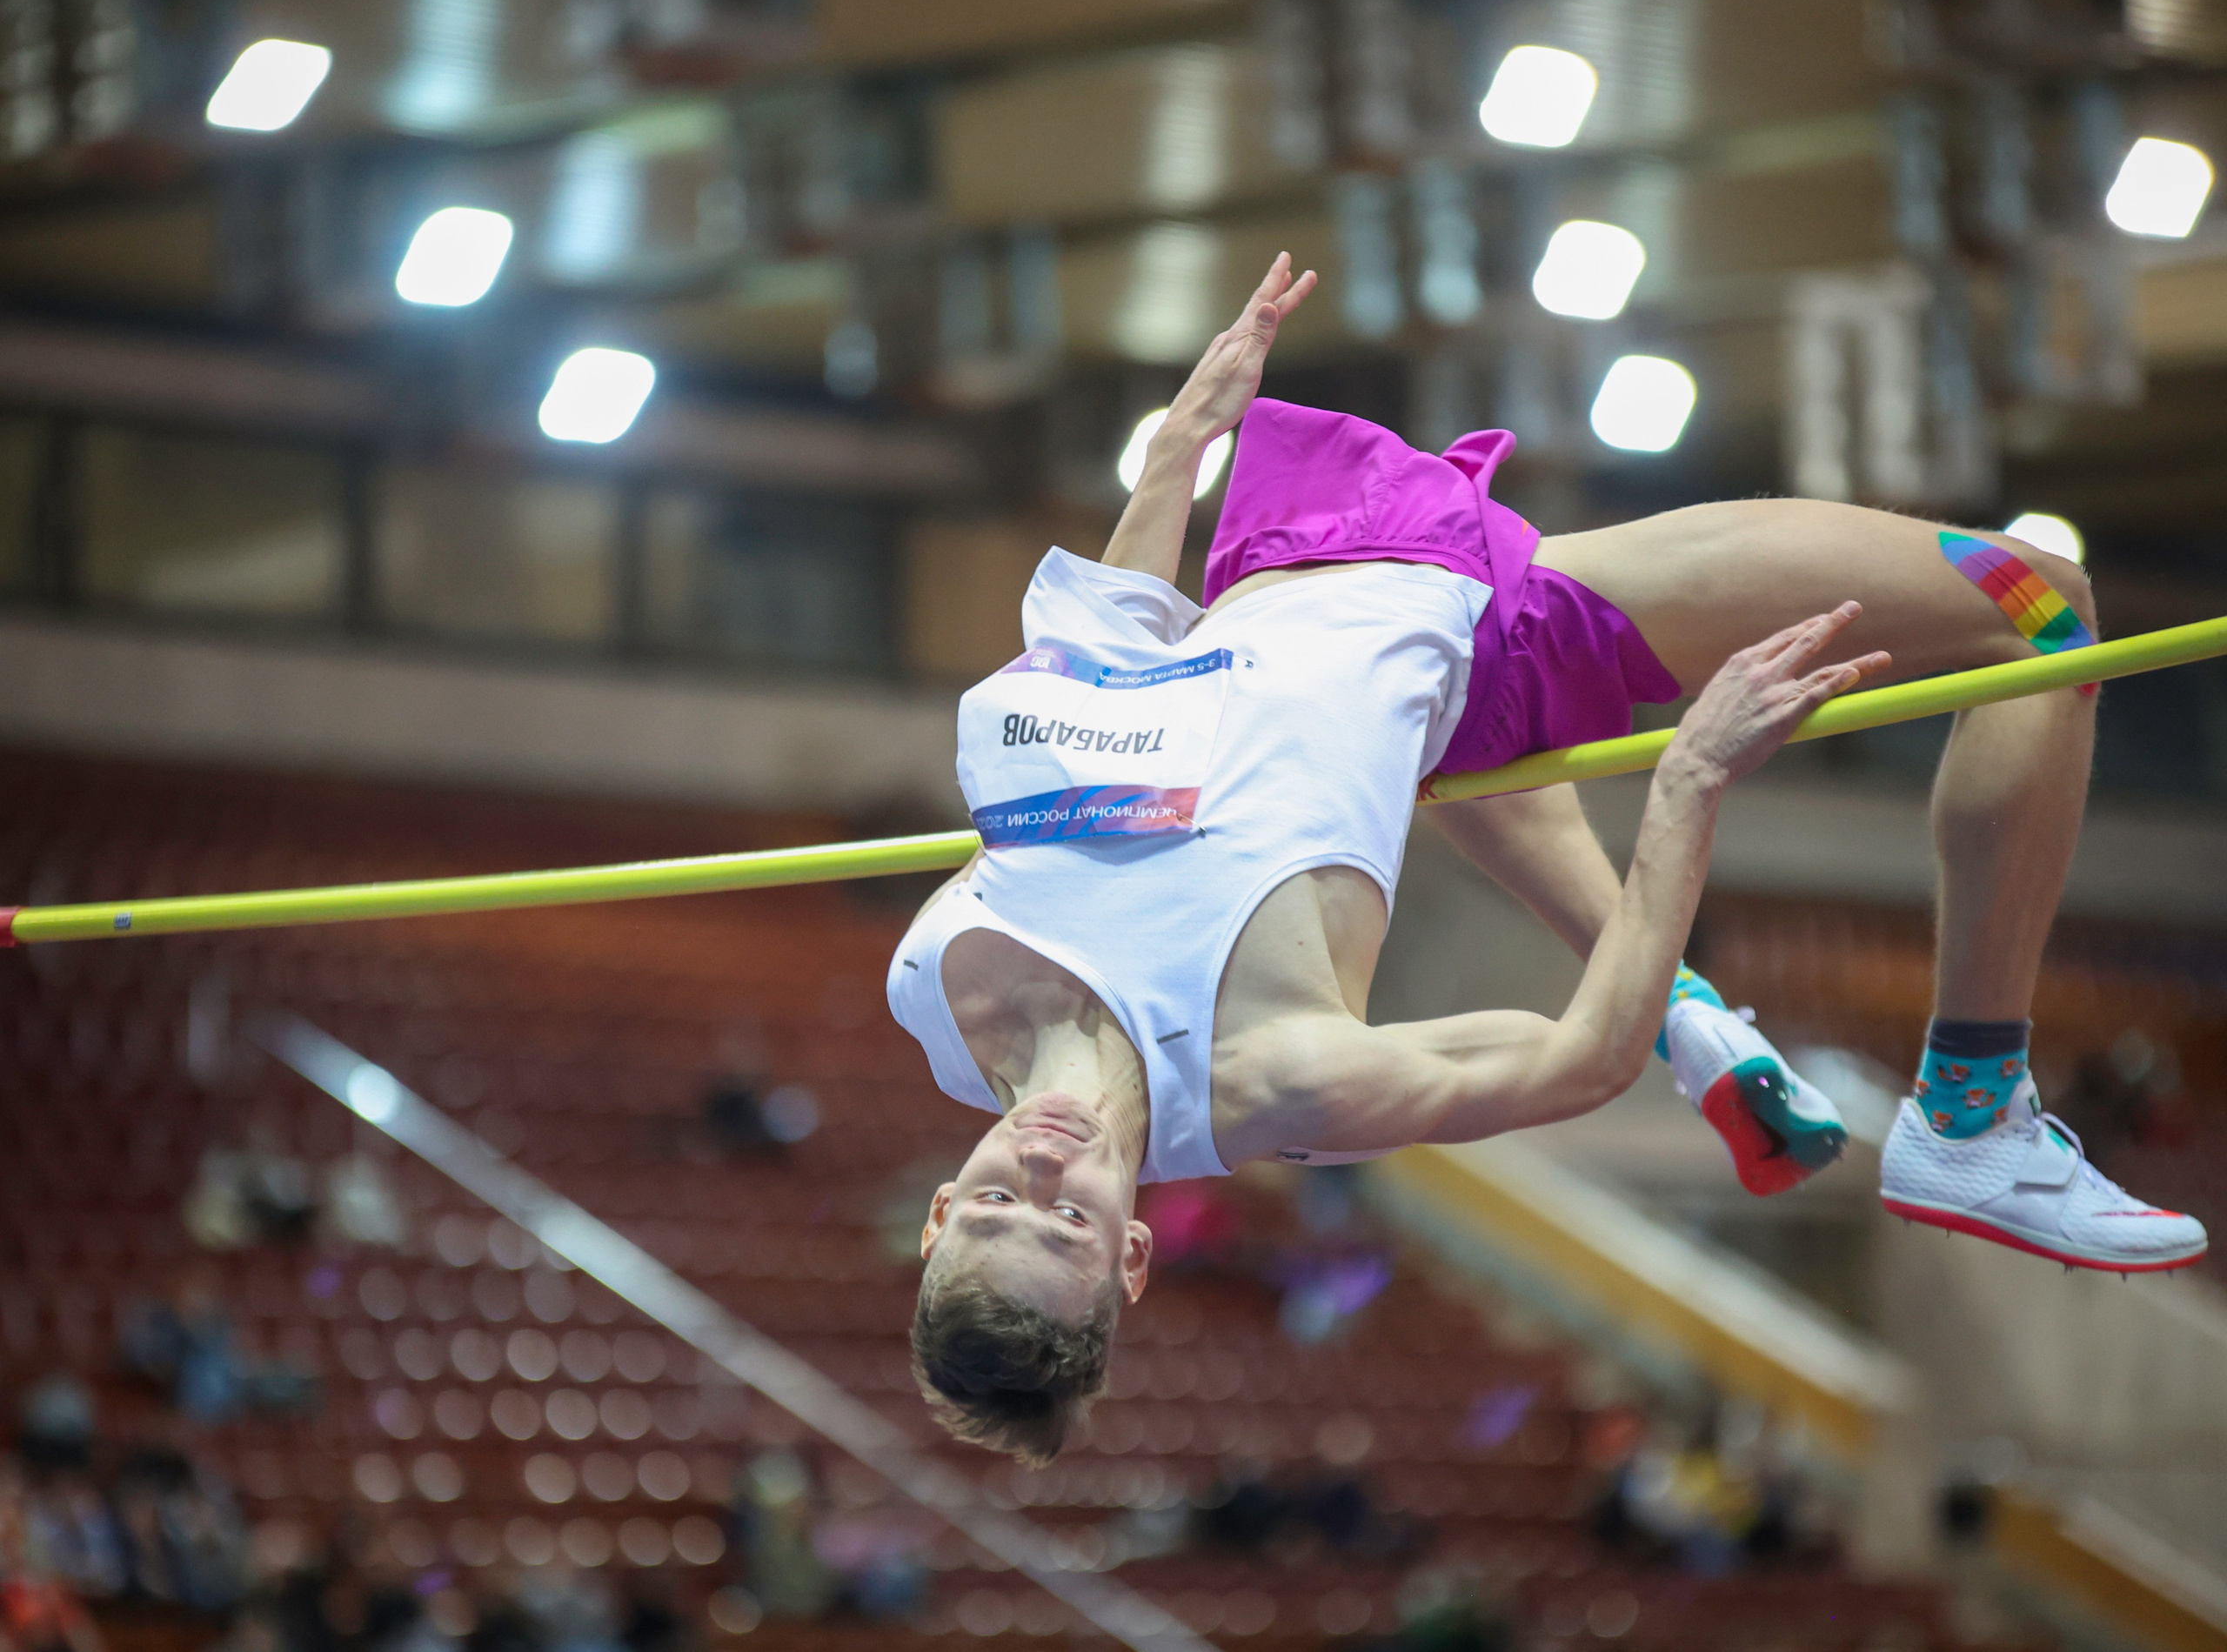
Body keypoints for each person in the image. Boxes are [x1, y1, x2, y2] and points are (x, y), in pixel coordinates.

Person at [888, 255, 2207, 1465]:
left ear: (945, 1211)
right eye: (1066, 1222)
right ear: (1128, 1253)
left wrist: (1179, 447)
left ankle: (1709, 1024)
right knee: (2035, 606)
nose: (1043, 1168)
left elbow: (1110, 668)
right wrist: (1685, 787)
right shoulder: (1271, 1080)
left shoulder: (941, 974)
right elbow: (1579, 1059)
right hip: (1494, 629)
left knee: (1418, 765)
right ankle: (1972, 1110)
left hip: (1295, 561)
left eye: (1000, 1203)